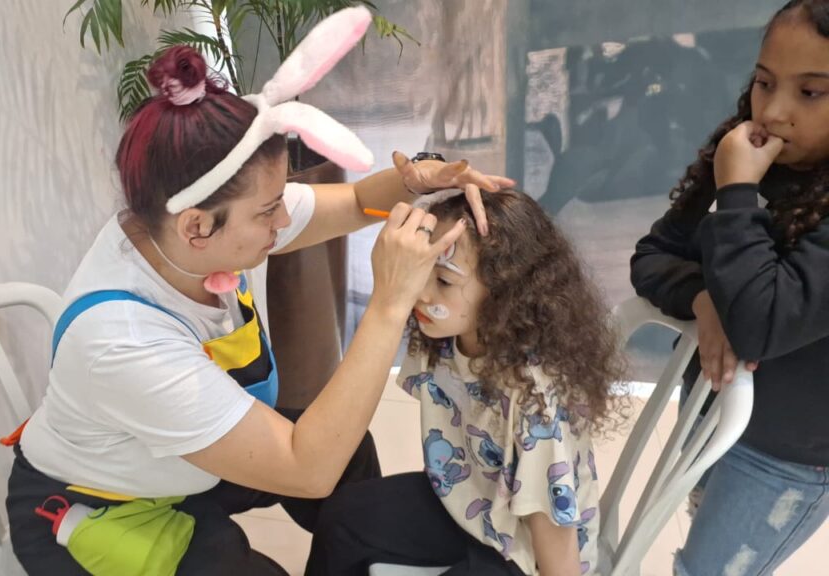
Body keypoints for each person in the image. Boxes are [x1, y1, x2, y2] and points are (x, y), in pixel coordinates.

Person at [3, 9, 515, 575]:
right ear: (198, 226)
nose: (284, 220)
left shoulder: (181, 226)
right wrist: (390, 300)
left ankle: (362, 554)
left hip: (173, 459)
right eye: (269, 211)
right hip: (104, 508)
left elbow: (351, 204)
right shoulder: (123, 343)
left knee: (351, 458)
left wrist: (418, 178)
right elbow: (306, 468)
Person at [306, 190, 627, 576]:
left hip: (523, 551)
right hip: (465, 499)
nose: (422, 293)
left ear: (504, 292)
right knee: (343, 518)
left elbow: (553, 533)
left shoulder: (534, 399)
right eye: (421, 271)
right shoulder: (446, 334)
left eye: (443, 280)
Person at [630, 2, 829, 573]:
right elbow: (655, 254)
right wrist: (703, 299)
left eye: (810, 92)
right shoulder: (752, 152)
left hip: (786, 457)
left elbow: (762, 323)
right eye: (764, 83)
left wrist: (738, 191)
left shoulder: (744, 169)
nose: (774, 111)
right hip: (711, 417)